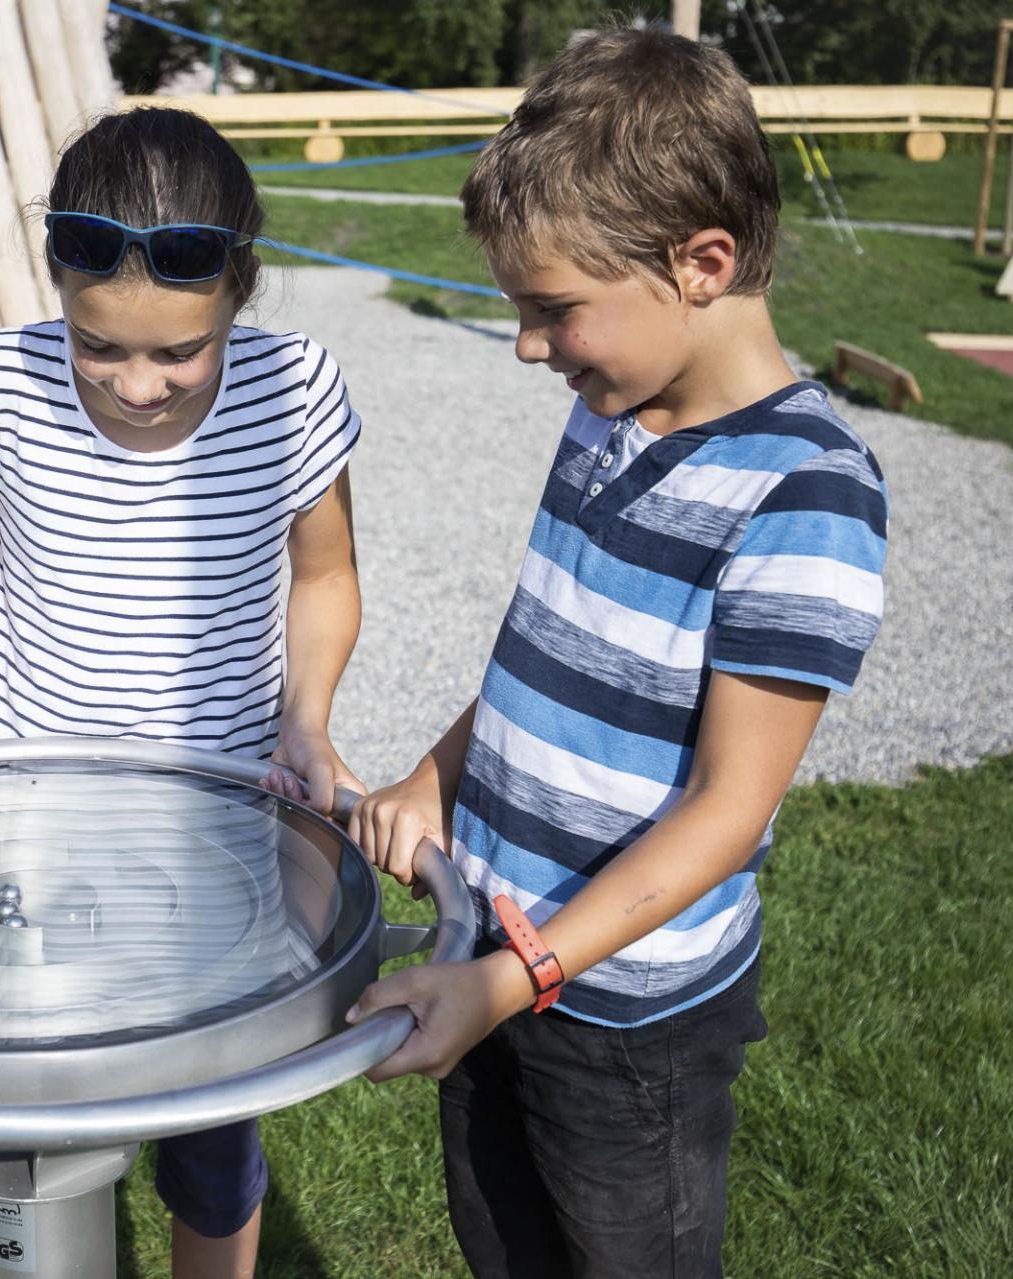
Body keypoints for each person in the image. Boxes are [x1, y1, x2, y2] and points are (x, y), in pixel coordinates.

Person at [346, 28, 890, 1279]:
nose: (530, 346)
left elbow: (727, 812)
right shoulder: (611, 416)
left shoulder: (805, 495)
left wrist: (520, 974)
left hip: (626, 1022)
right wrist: (439, 772)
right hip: (493, 948)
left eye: (554, 310)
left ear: (700, 263)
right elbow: (545, 652)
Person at [0, 107, 363, 1278]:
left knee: (210, 1123)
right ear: (61, 296)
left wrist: (310, 718)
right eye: (102, 346)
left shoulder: (294, 389)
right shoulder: (5, 376)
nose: (137, 384)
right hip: (35, 816)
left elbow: (327, 570)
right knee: (36, 1105)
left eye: (177, 352)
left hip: (220, 820)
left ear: (238, 294)